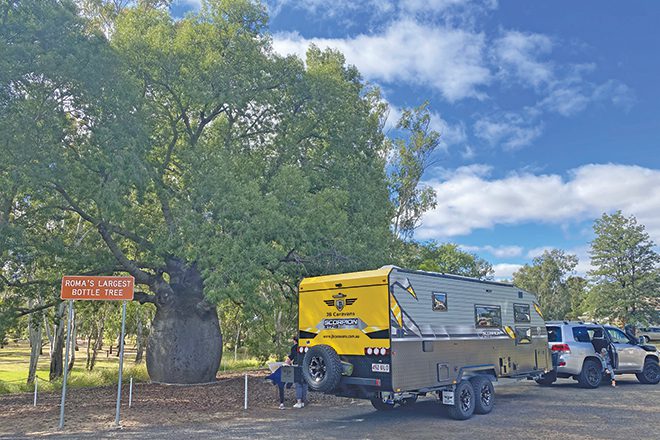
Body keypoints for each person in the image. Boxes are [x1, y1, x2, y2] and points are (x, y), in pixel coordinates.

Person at [287, 335, 308, 408]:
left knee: (298, 384)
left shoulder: (294, 347)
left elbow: (290, 357)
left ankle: (299, 402)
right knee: (305, 384)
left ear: (295, 341)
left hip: (297, 366)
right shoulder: (306, 347)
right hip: (306, 367)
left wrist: (286, 363)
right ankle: (303, 401)